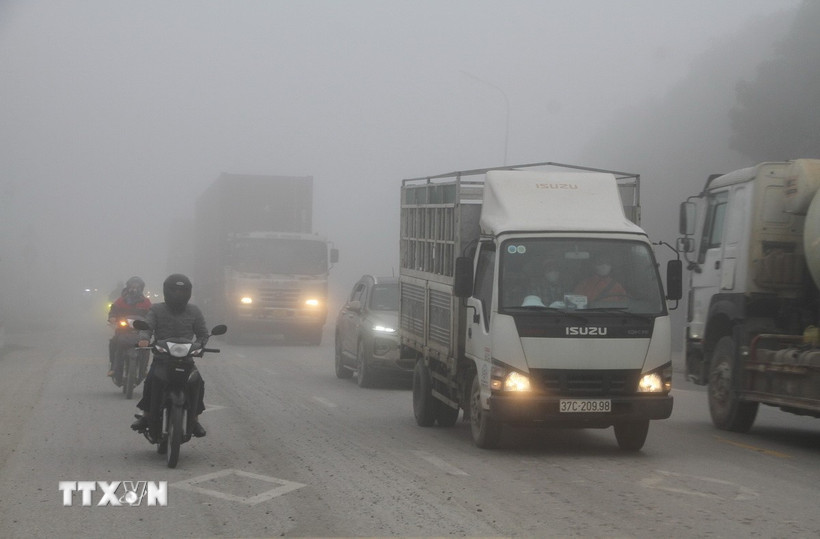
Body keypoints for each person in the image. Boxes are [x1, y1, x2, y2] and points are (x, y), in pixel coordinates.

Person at [130, 274, 209, 438]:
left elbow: (203, 333)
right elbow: (147, 327)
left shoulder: (194, 311)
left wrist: (201, 345)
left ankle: (194, 419)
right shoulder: (156, 309)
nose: (178, 294)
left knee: (197, 383)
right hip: (162, 358)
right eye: (174, 290)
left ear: (188, 292)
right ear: (167, 291)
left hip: (186, 359)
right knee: (151, 380)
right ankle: (146, 416)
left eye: (182, 291)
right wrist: (144, 340)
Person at [107, 276, 151, 378]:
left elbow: (151, 314)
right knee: (114, 342)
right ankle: (113, 367)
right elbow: (113, 310)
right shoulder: (121, 300)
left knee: (146, 346)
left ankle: (144, 369)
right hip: (122, 330)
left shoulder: (146, 302)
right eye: (132, 286)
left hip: (140, 331)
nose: (134, 289)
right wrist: (112, 317)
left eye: (137, 287)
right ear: (128, 287)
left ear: (141, 288)